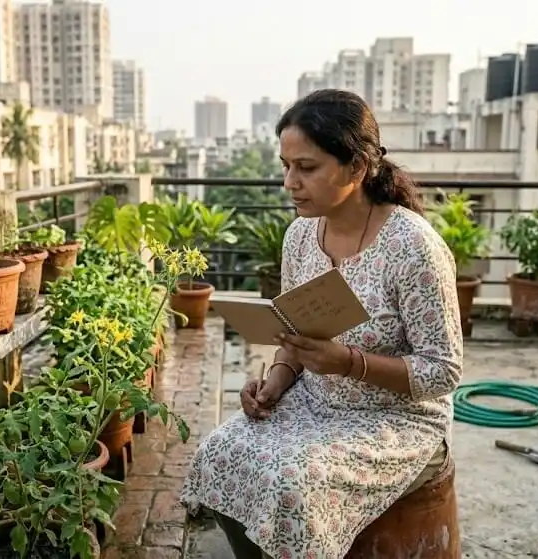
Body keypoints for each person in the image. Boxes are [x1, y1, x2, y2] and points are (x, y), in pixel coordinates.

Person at [180, 89, 464, 558]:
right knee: (219, 452)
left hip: (397, 420)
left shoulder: (414, 248)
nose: (289, 182)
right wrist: (275, 381)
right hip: (314, 401)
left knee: (292, 483)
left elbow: (443, 371)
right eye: (285, 166)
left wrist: (350, 363)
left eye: (306, 168)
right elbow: (296, 334)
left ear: (358, 167)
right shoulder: (300, 237)